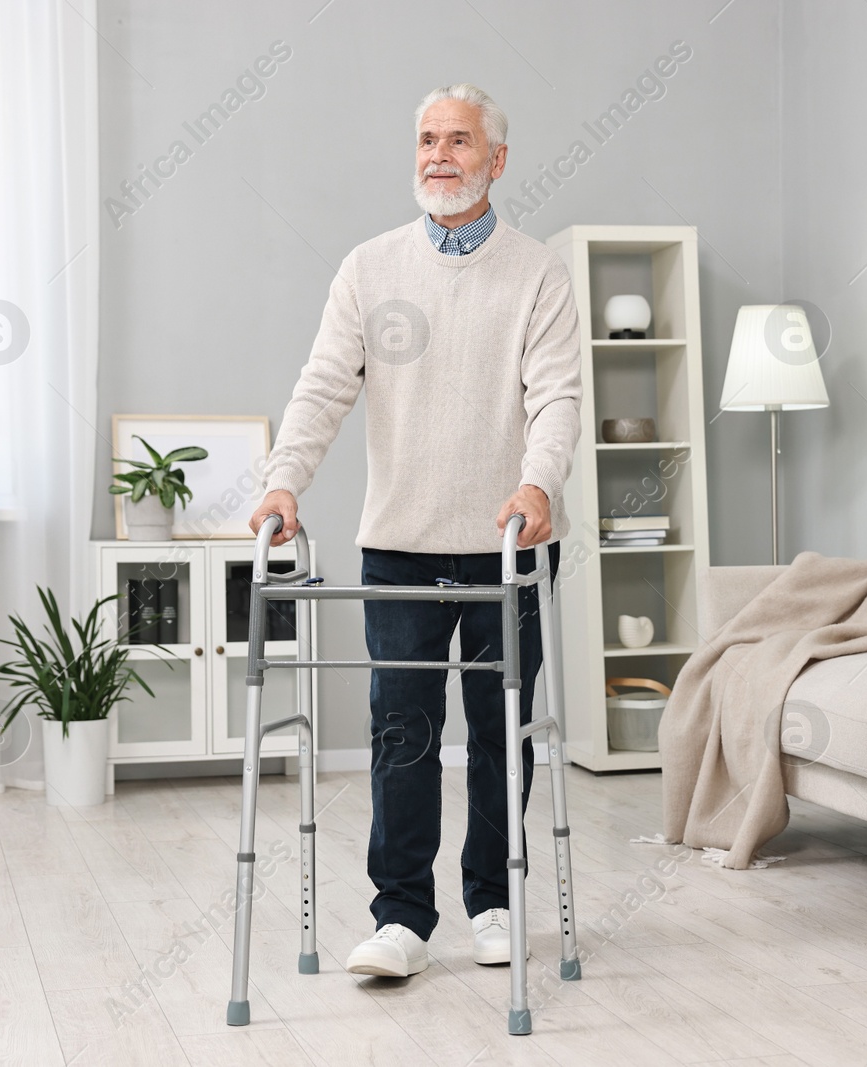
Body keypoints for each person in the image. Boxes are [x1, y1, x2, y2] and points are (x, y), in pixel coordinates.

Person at [249, 83, 581, 978]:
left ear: (497, 160)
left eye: (460, 140)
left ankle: (495, 900)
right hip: (399, 539)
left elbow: (556, 398)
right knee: (403, 731)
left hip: (508, 539)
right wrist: (284, 484)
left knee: (496, 729)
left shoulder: (538, 272)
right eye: (428, 139)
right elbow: (324, 386)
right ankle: (400, 916)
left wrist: (538, 483)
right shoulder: (369, 268)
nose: (439, 154)